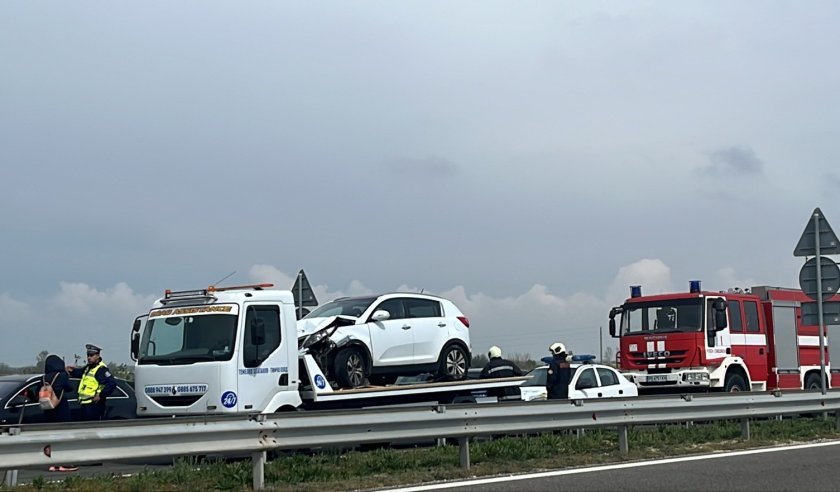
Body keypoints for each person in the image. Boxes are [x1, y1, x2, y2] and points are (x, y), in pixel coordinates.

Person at [44, 354, 78, 472]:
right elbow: (69, 388)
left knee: (51, 437)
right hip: (61, 408)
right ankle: (64, 464)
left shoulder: (44, 378)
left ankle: (53, 464)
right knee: (64, 436)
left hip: (48, 410)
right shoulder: (62, 376)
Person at [66, 344, 116, 421]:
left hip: (94, 405)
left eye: (91, 355)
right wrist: (71, 370)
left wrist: (101, 395)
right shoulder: (88, 367)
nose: (89, 357)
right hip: (84, 404)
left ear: (98, 355)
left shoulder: (101, 369)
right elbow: (79, 373)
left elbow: (112, 383)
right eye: (88, 355)